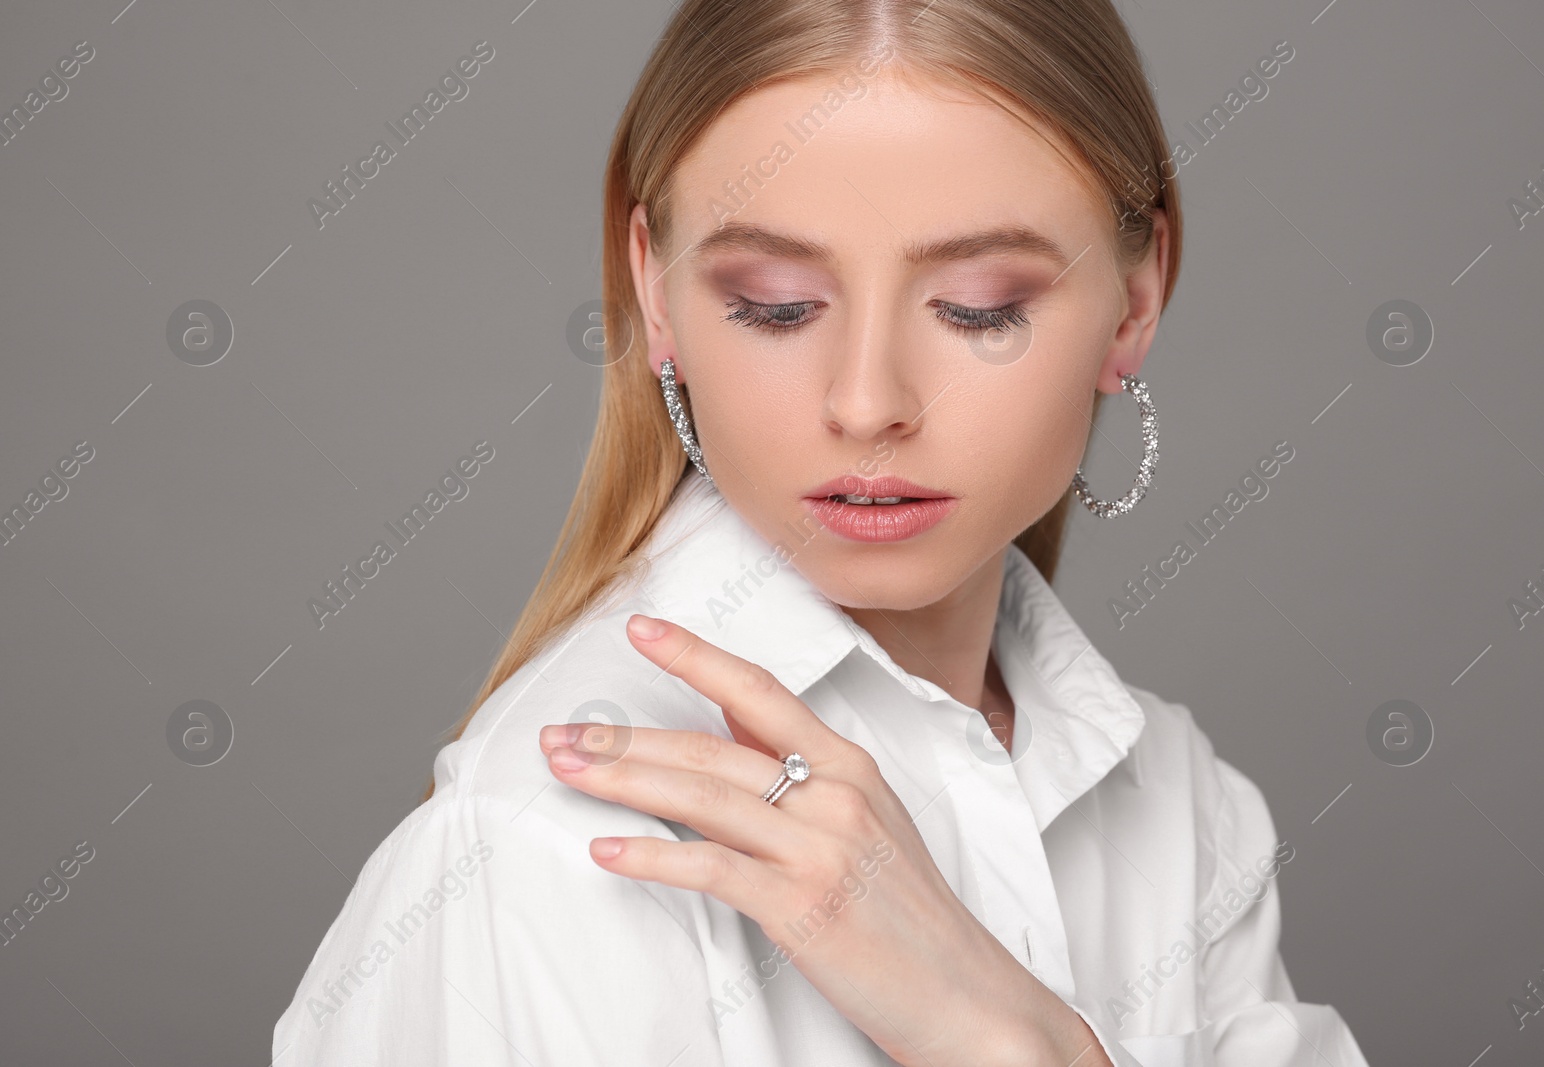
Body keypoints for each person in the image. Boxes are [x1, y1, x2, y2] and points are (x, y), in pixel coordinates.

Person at [272, 1, 1372, 1063]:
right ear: (655, 291)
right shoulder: (548, 848)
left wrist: (1013, 1043)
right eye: (778, 303)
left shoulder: (1180, 802)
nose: (865, 401)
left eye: (979, 306)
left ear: (1134, 301)